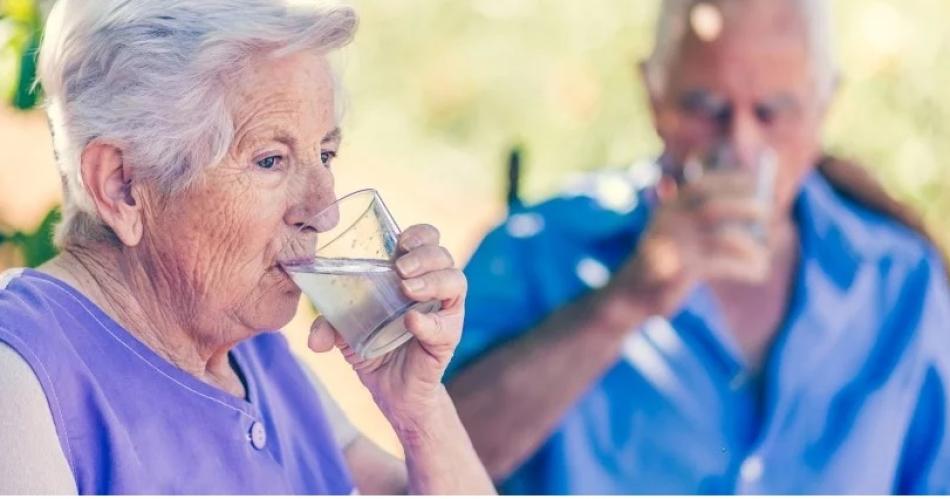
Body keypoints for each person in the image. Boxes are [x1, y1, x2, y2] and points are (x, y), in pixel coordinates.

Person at [446, 0, 950, 494]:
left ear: (824, 108)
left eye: (774, 112)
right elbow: (432, 464)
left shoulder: (902, 283)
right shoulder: (538, 248)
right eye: (705, 108)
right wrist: (628, 298)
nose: (741, 145)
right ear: (654, 96)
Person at [0, 0, 494, 494]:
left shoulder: (256, 358)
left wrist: (419, 413)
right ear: (123, 186)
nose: (326, 211)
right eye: (270, 160)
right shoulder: (20, 380)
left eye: (325, 153)